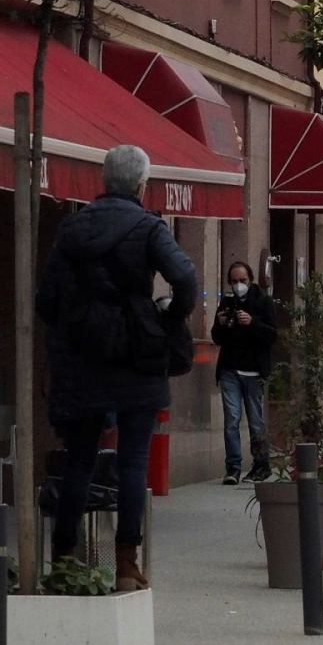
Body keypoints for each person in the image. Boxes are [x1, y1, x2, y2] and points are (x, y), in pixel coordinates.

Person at [38, 145, 198, 592]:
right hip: (137, 357)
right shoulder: (147, 227)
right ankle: (126, 565)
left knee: (79, 463)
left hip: (80, 362)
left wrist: (77, 327)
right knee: (132, 462)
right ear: (142, 186)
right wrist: (166, 318)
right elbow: (185, 277)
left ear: (102, 182)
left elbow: (45, 299)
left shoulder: (70, 230)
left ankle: (64, 560)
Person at [212, 261, 277, 484]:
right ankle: (233, 468)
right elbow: (217, 338)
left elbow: (272, 335)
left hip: (254, 372)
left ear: (250, 280)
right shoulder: (227, 303)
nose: (239, 285)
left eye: (243, 281)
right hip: (230, 370)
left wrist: (252, 323)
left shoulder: (263, 302)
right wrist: (220, 324)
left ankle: (261, 465)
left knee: (256, 421)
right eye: (234, 281)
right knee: (231, 419)